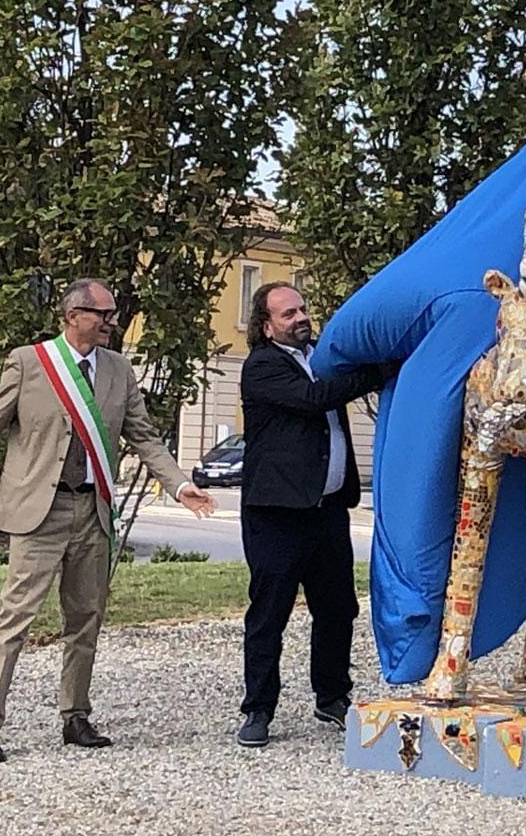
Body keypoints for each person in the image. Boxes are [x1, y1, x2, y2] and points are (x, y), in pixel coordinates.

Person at [0, 278, 215, 763]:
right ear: (72, 315)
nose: (111, 321)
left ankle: (75, 715)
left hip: (92, 509)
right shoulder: (30, 363)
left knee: (85, 618)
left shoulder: (120, 371)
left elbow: (143, 437)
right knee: (14, 618)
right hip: (39, 512)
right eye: (102, 314)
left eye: (113, 313)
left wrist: (179, 485)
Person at [235, 282, 387, 748]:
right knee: (270, 613)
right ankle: (258, 709)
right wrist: (377, 372)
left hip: (326, 511)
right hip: (277, 513)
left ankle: (333, 696)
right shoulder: (262, 366)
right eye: (288, 314)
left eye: (302, 309)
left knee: (338, 608)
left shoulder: (322, 355)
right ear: (267, 326)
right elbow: (313, 399)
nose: (300, 318)